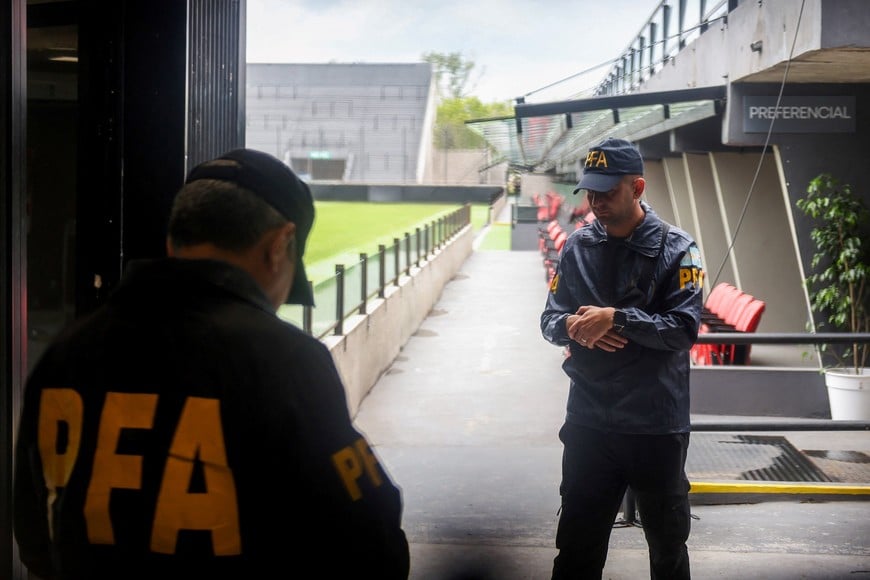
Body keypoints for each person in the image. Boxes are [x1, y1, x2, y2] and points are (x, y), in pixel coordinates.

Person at [14, 149, 410, 579]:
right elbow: (371, 547)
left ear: (172, 243)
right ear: (280, 245)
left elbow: (36, 537)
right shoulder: (288, 360)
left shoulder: (67, 351)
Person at [540, 137, 704, 579]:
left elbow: (684, 330)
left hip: (655, 424)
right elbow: (549, 320)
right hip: (589, 420)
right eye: (591, 193)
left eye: (608, 193)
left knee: (668, 550)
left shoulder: (679, 248)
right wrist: (572, 327)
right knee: (575, 548)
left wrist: (618, 319)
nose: (596, 203)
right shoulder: (576, 247)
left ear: (638, 187)